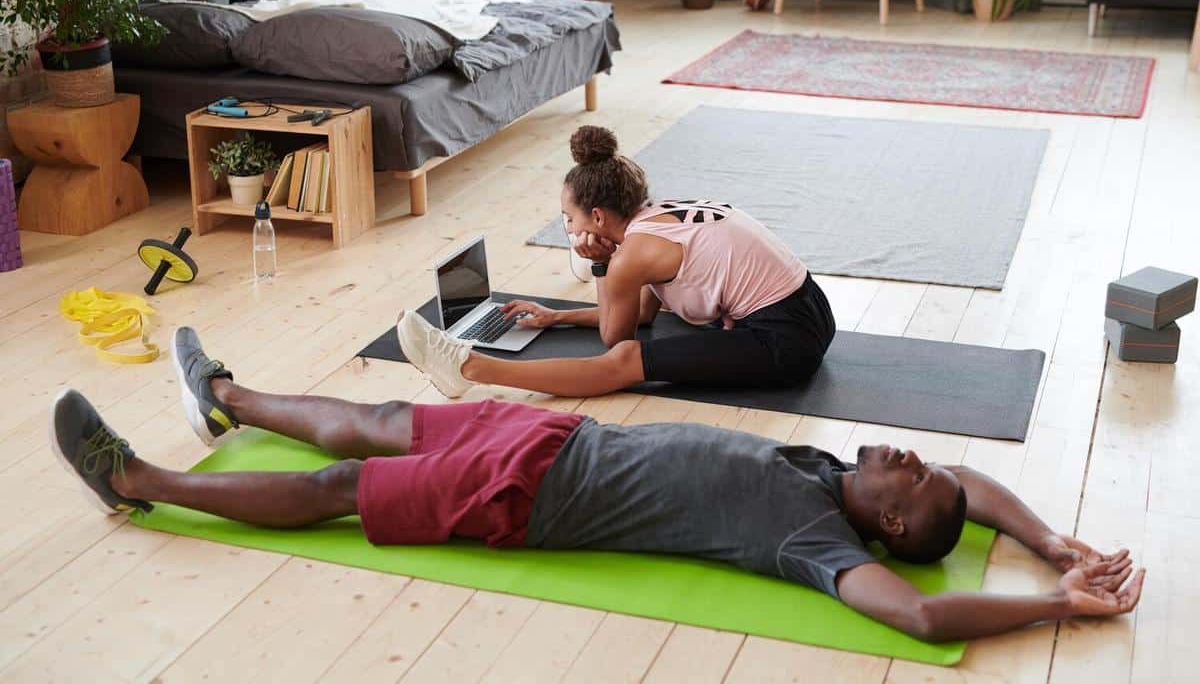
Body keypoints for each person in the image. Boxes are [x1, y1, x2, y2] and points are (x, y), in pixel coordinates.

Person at [51, 327, 1145, 644]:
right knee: (381, 418)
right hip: (550, 435)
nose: (905, 452)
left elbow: (920, 613)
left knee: (348, 480)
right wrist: (1053, 540)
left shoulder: (819, 541)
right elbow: (973, 487)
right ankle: (228, 397)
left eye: (910, 472)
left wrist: (1055, 605)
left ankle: (136, 478)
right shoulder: (835, 475)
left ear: (894, 521)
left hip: (531, 501)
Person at [395, 125, 837, 398]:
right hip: (813, 309)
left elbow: (616, 339)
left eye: (569, 218)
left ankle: (467, 367)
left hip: (786, 342)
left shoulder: (631, 256)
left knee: (624, 363)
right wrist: (557, 317)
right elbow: (644, 314)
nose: (569, 227)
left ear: (598, 217)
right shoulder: (657, 219)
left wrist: (602, 266)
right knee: (654, 342)